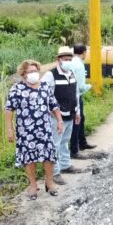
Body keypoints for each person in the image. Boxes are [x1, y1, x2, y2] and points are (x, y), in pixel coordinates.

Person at [5, 60, 63, 200]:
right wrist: (9, 129)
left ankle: (49, 183)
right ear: (23, 74)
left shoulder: (45, 86)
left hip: (44, 129)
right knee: (29, 158)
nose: (34, 74)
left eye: (35, 71)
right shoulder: (17, 89)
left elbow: (54, 105)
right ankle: (32, 185)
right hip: (26, 131)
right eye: (30, 71)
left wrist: (60, 120)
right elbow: (9, 109)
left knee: (48, 156)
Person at [42, 48, 82, 182]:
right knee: (55, 144)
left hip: (70, 113)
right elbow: (45, 96)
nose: (68, 62)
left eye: (70, 60)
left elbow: (76, 93)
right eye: (65, 60)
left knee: (65, 141)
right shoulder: (50, 75)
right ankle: (55, 172)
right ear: (58, 60)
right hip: (56, 117)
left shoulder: (72, 73)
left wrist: (77, 112)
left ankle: (65, 165)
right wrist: (52, 113)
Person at [64, 43, 97, 160]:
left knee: (80, 120)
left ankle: (82, 143)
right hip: (76, 96)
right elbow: (81, 86)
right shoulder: (80, 65)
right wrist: (90, 86)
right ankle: (75, 149)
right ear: (84, 53)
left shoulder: (70, 63)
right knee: (77, 121)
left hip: (67, 96)